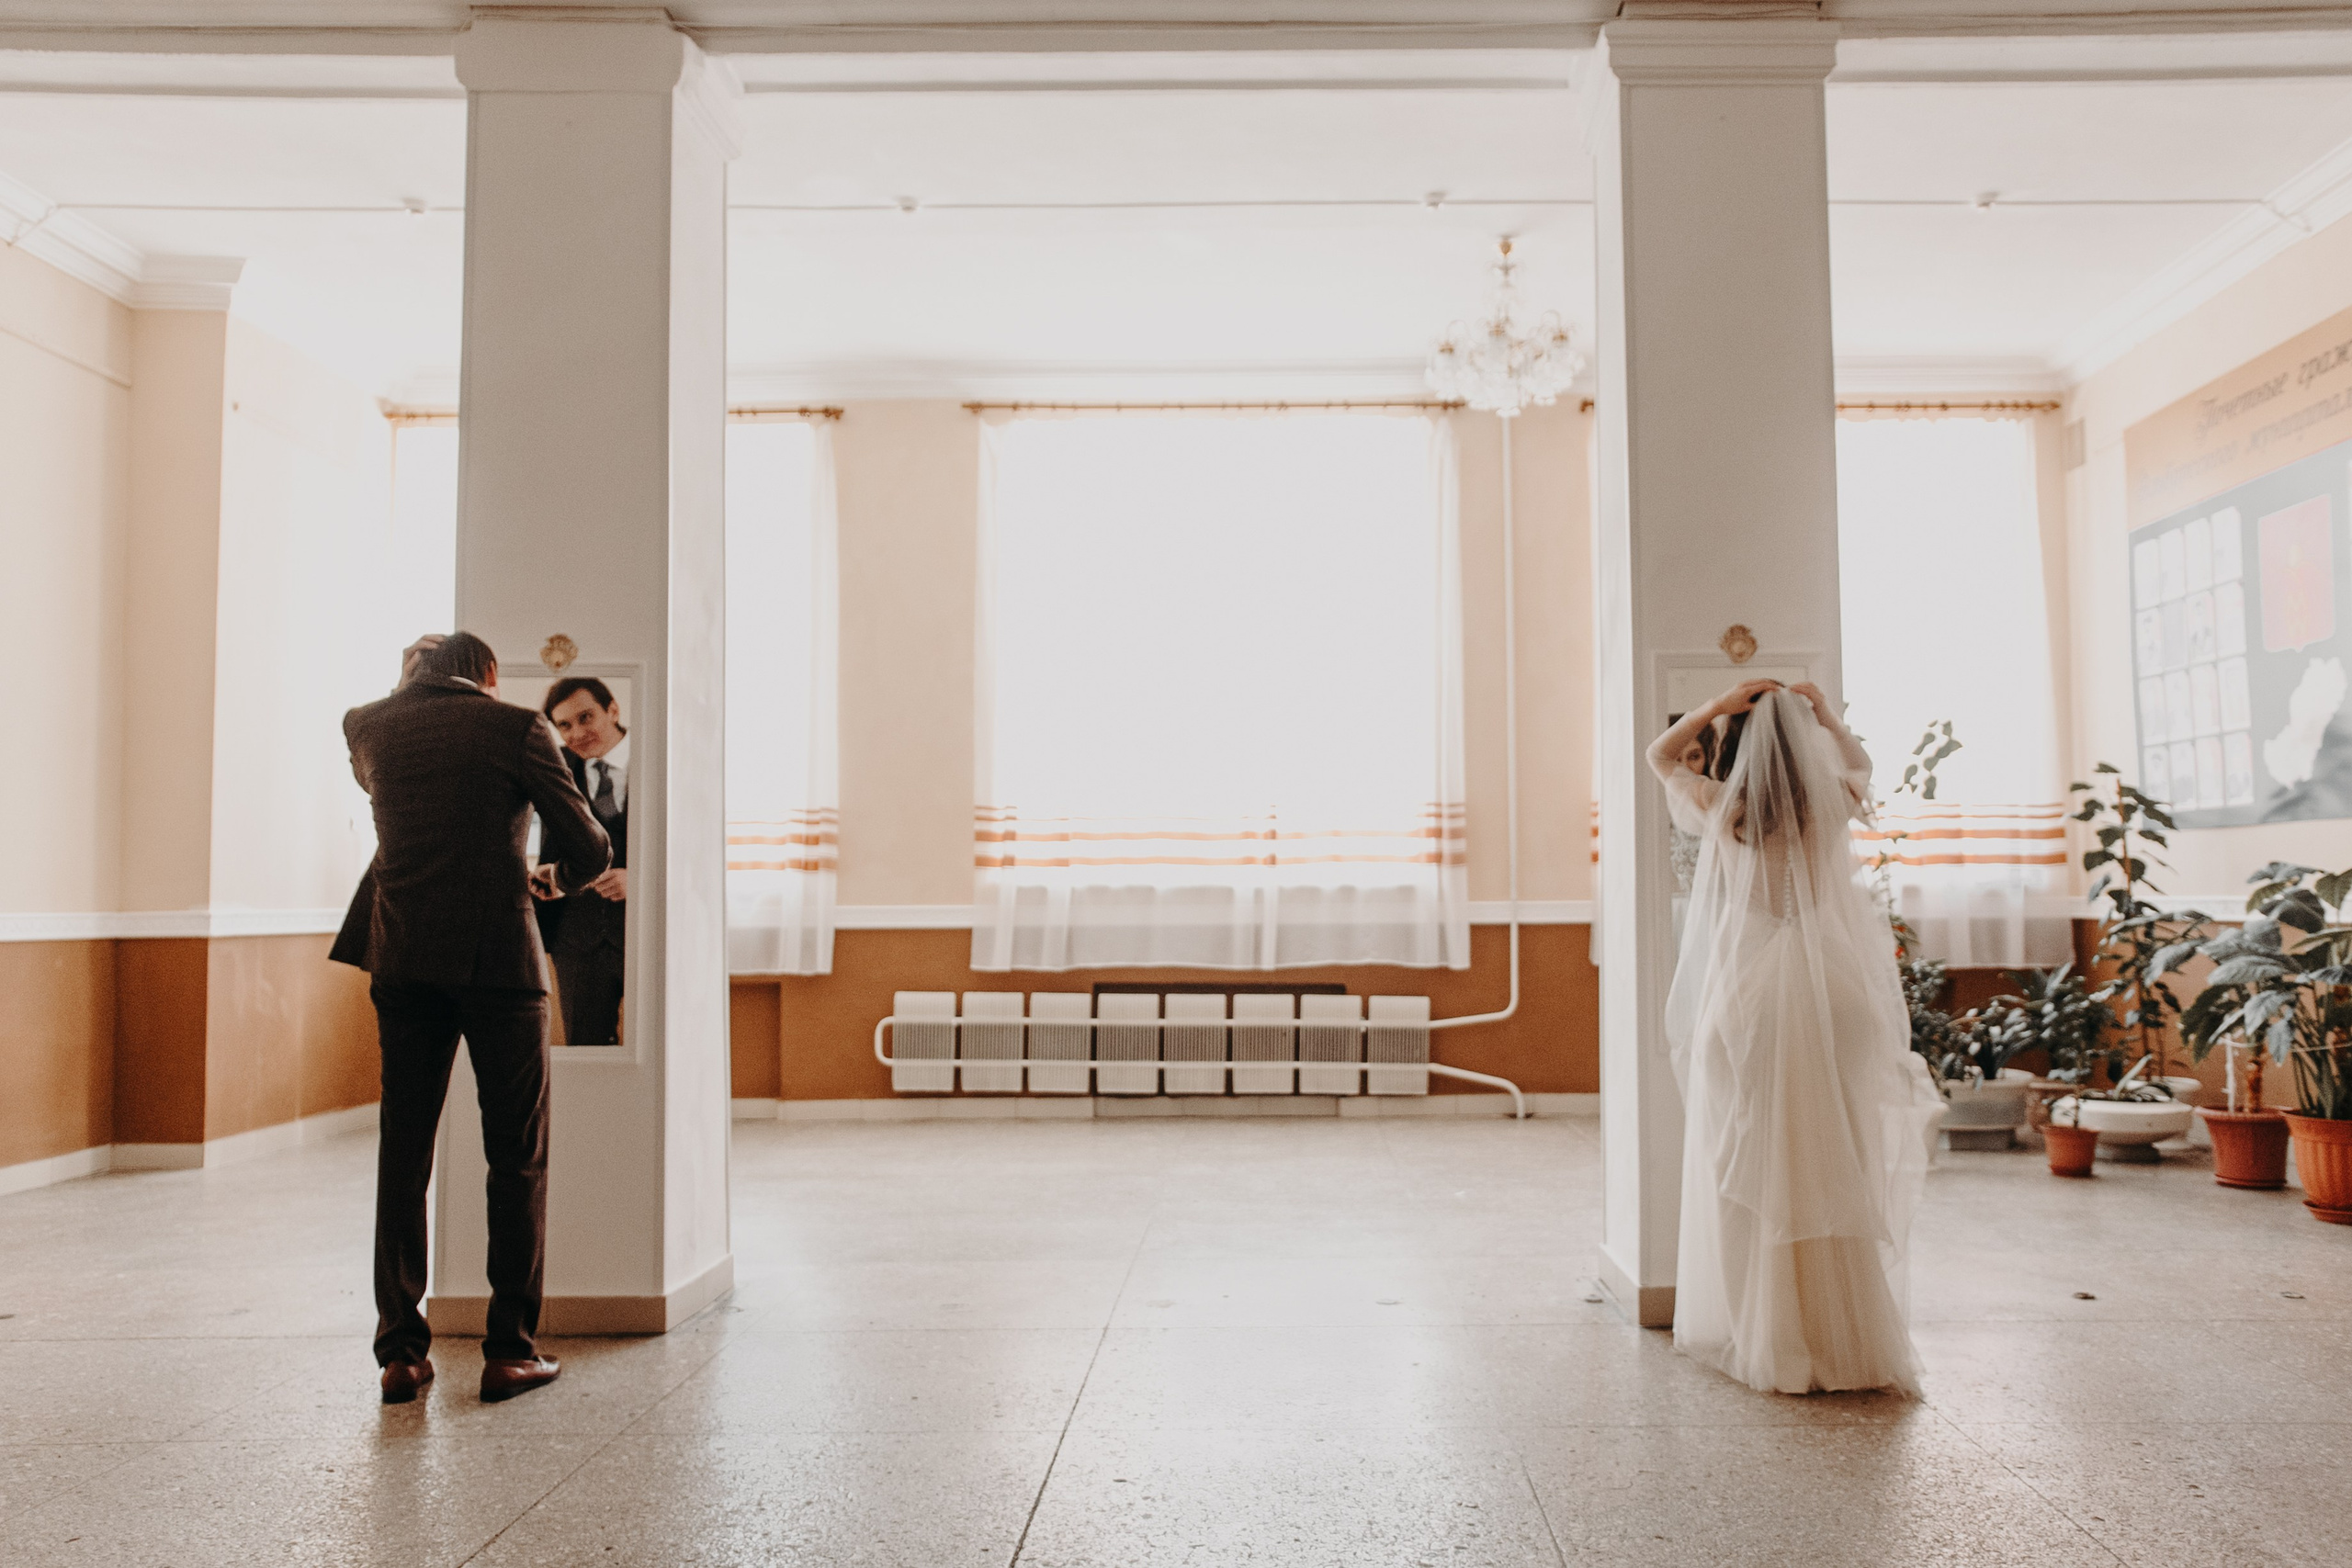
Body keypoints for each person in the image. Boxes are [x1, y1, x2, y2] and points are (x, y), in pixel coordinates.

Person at [332, 632, 611, 1405]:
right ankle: (509, 1351)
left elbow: (407, 807)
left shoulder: (365, 724)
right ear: (488, 675)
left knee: (404, 1150)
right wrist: (544, 871)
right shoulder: (518, 727)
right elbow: (590, 847)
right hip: (500, 966)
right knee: (515, 1155)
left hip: (404, 959)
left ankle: (399, 1352)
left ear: (413, 672)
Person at [1647, 677, 1945, 1395]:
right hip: (1831, 993)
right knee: (1831, 1151)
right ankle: (1846, 1338)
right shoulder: (1835, 802)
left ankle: (1771, 1333)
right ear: (1806, 753)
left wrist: (1721, 703)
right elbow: (1862, 766)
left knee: (1752, 1150)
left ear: (1740, 751)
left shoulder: (1725, 806)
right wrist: (1828, 716)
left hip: (1750, 995)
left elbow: (1661, 755)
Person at [533, 676, 630, 1045]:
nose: (577, 733)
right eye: (564, 725)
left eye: (586, 717)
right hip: (575, 937)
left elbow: (693, 849)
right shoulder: (553, 767)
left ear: (613, 710)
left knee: (659, 1049)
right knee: (587, 1048)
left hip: (646, 931)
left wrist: (640, 879)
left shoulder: (662, 757)